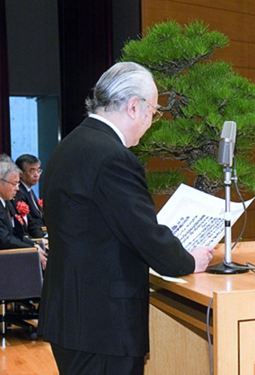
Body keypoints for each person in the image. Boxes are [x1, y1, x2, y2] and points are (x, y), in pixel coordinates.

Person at [38, 62, 215, 375]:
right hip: (101, 324)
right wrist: (189, 260)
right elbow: (145, 234)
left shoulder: (68, 147)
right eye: (154, 113)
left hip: (71, 314)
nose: (150, 122)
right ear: (135, 107)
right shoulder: (112, 157)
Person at [0, 161, 47, 268]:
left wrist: (33, 245)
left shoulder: (8, 202)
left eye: (18, 184)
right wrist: (32, 249)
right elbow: (4, 240)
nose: (17, 188)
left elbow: (17, 234)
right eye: (14, 184)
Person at [14, 154, 46, 237]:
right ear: (20, 173)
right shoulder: (18, 192)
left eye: (38, 170)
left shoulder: (29, 189)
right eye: (32, 171)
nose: (36, 175)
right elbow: (31, 220)